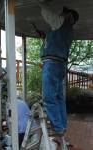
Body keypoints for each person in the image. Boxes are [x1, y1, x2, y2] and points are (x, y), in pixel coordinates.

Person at [37, 0, 79, 134]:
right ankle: (62, 124)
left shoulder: (61, 22)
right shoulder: (69, 30)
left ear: (69, 16)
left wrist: (40, 2)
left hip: (52, 64)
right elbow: (56, 43)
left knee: (49, 97)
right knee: (59, 97)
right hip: (60, 65)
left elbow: (47, 12)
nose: (61, 13)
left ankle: (58, 127)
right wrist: (45, 38)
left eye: (64, 12)